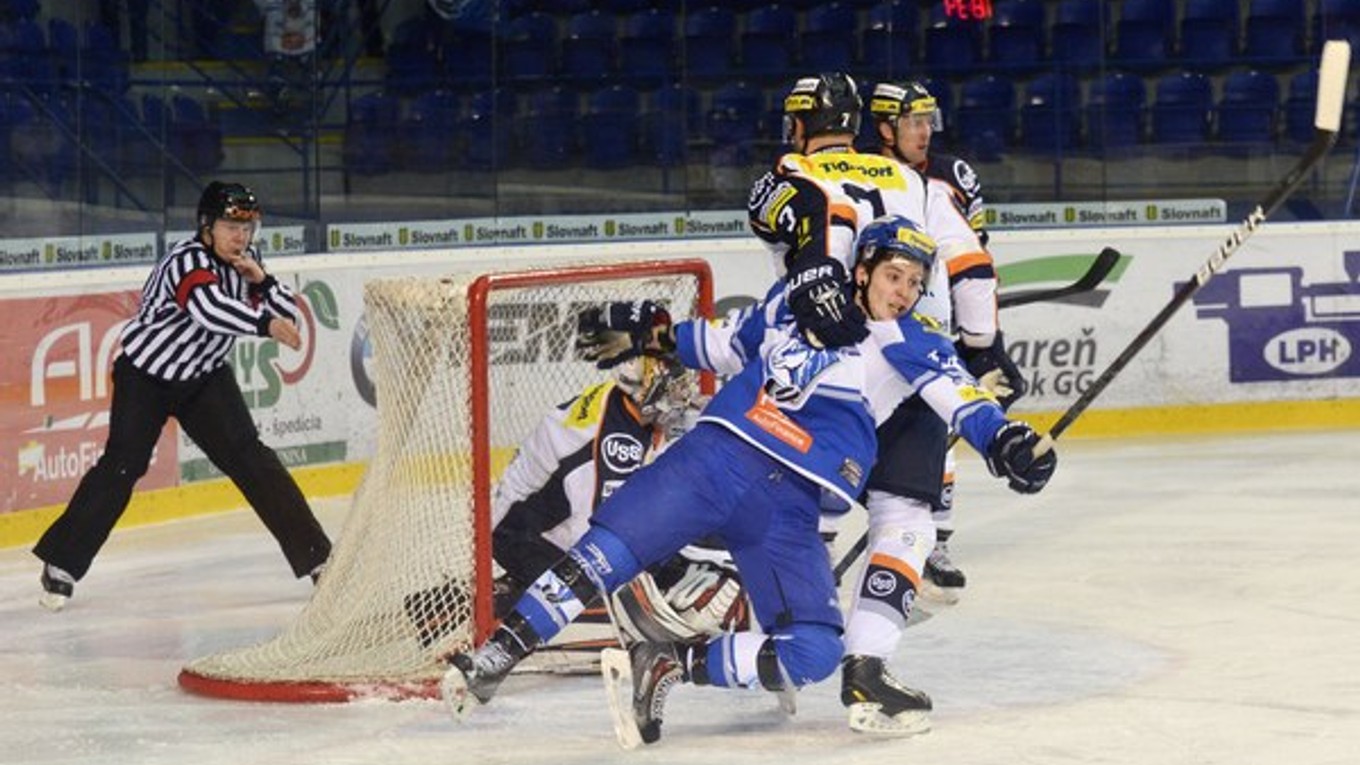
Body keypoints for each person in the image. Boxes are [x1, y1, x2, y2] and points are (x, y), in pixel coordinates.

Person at [439, 216, 1056, 747]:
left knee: (814, 652)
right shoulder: (796, 300)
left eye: (916, 283)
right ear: (862, 270)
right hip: (716, 458)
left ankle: (669, 664)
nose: (905, 291)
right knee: (601, 555)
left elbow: (965, 400)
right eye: (895, 275)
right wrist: (659, 339)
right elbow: (725, 342)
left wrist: (1005, 441)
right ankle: (498, 656)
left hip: (788, 508)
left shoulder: (914, 339)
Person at [748, 71, 1007, 734]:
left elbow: (768, 220)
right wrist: (980, 348)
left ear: (802, 123)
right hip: (910, 361)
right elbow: (970, 263)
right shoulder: (914, 182)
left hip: (825, 370)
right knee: (908, 519)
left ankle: (781, 640)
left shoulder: (791, 170)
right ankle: (866, 669)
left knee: (814, 512)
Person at [32, 181, 333, 611]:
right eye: (231, 226)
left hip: (204, 379)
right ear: (207, 227)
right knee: (122, 466)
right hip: (146, 378)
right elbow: (208, 309)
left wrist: (263, 281)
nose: (241, 237)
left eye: (247, 228)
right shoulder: (185, 261)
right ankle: (61, 564)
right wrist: (264, 325)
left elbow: (284, 309)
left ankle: (318, 559)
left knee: (253, 460)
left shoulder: (248, 261)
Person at [402, 350, 747, 652]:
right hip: (518, 537)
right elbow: (596, 537)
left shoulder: (629, 409)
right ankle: (471, 609)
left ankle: (511, 590)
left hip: (545, 523)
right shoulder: (610, 441)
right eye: (672, 384)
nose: (682, 392)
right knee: (601, 597)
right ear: (647, 387)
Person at [868, 79, 1028, 601]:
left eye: (926, 121)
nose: (922, 132)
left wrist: (979, 337)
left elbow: (972, 253)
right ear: (885, 128)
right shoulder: (869, 175)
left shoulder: (953, 176)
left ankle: (932, 541)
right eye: (911, 122)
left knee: (936, 427)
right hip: (881, 326)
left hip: (936, 326)